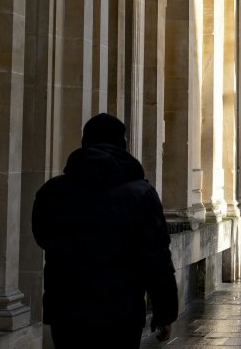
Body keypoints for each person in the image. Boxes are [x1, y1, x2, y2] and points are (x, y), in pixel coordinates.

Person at [32, 113, 178, 348]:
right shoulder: (141, 194)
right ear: (122, 143)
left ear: (85, 142)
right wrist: (165, 312)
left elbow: (43, 237)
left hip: (67, 309)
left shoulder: (53, 192)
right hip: (121, 312)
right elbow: (157, 259)